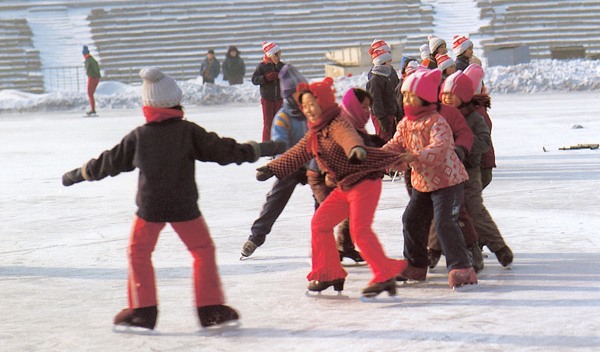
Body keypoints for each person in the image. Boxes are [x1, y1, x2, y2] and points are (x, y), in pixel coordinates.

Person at [61, 67, 285, 330]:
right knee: (202, 251)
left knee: (138, 253)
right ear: (175, 102)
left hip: (150, 208)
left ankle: (143, 311)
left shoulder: (140, 136)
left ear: (148, 105)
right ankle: (210, 308)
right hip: (183, 205)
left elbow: (109, 162)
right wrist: (259, 149)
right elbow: (224, 150)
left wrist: (79, 174)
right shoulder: (187, 131)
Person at [256, 77, 409, 298]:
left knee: (359, 231)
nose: (308, 109)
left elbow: (348, 136)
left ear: (324, 103)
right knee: (320, 224)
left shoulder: (337, 122)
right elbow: (298, 153)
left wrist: (355, 148)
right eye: (305, 105)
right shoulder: (315, 132)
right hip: (345, 186)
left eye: (312, 104)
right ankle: (329, 273)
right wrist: (272, 168)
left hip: (365, 182)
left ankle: (384, 274)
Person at [383, 68, 477, 289]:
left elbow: (440, 148)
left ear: (424, 97)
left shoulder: (437, 121)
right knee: (411, 219)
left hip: (447, 180)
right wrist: (380, 156)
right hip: (423, 182)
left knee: (445, 222)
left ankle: (462, 268)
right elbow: (395, 143)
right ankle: (416, 265)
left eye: (410, 95)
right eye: (404, 95)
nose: (405, 99)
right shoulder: (406, 122)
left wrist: (413, 156)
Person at [441, 64, 514, 268]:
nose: (447, 99)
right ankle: (437, 251)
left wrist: (463, 147)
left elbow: (484, 141)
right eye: (444, 95)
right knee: (448, 212)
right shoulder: (441, 116)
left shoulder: (475, 116)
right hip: (446, 172)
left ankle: (499, 248)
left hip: (470, 170)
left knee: (473, 210)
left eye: (451, 95)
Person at [306, 88, 385, 264]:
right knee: (327, 216)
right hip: (321, 175)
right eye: (363, 107)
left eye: (368, 108)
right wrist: (327, 173)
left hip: (341, 174)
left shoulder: (354, 121)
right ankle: (323, 256)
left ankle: (343, 246)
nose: (366, 112)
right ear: (353, 105)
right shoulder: (340, 122)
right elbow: (324, 149)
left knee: (352, 207)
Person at [241, 64, 309, 258]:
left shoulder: (313, 109)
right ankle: (256, 237)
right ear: (288, 96)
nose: (303, 98)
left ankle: (332, 242)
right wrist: (275, 165)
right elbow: (280, 145)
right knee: (275, 200)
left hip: (314, 163)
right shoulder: (283, 117)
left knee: (325, 200)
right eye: (298, 94)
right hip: (290, 165)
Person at [252, 41, 284, 142]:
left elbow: (287, 74)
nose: (279, 55)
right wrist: (265, 78)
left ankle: (279, 144)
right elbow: (254, 80)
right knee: (268, 123)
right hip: (267, 99)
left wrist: (278, 64)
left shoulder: (281, 65)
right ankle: (267, 145)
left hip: (279, 98)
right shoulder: (261, 66)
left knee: (279, 122)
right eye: (277, 53)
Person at [367, 48, 400, 142]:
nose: (390, 64)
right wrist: (381, 118)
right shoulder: (375, 80)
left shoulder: (385, 77)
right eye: (389, 61)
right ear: (383, 62)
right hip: (382, 116)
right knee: (384, 140)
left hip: (390, 114)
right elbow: (375, 101)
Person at [82, 45, 101, 116]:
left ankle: (93, 109)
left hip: (92, 78)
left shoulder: (88, 60)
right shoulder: (92, 59)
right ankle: (93, 109)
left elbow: (87, 69)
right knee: (91, 94)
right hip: (96, 77)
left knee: (90, 93)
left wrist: (91, 75)